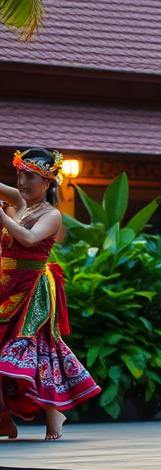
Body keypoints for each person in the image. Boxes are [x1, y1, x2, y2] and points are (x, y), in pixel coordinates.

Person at [0, 149, 100, 440]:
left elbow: (28, 238)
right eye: (20, 174)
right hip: (6, 284)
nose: (22, 181)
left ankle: (53, 413)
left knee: (37, 350)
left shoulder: (52, 215)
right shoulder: (19, 203)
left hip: (33, 290)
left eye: (30, 176)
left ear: (47, 182)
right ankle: (5, 417)